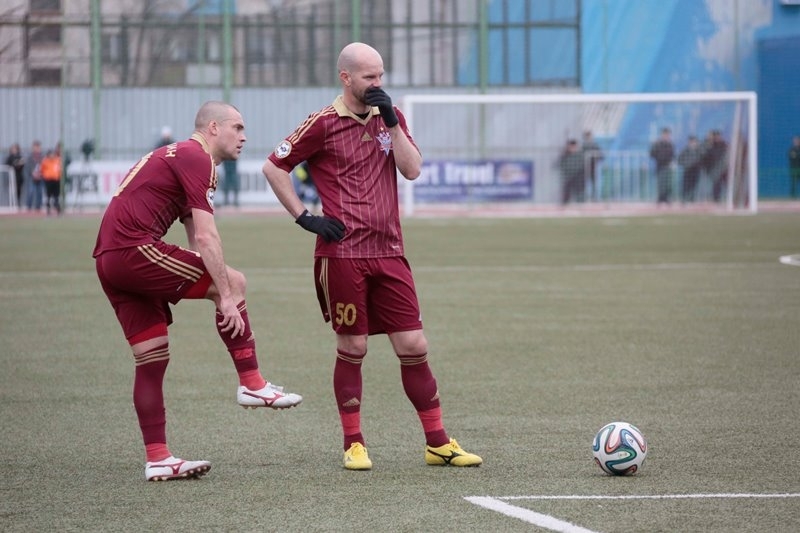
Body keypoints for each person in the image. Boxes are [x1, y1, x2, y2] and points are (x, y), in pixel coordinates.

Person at [262, 42, 482, 471]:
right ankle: (354, 443)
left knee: (414, 344)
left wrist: (393, 123)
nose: (377, 83)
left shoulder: (389, 116)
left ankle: (438, 443)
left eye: (380, 75)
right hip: (343, 255)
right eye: (369, 77)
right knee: (354, 345)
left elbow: (412, 170)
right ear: (346, 78)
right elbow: (274, 167)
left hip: (390, 250)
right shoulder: (322, 123)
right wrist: (305, 218)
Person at [93, 101, 302, 482]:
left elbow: (194, 241)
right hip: (132, 250)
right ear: (213, 128)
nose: (244, 136)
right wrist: (226, 295)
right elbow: (206, 237)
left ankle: (158, 458)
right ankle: (252, 383)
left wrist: (218, 288)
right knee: (233, 282)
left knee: (151, 358)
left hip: (109, 259)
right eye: (237, 127)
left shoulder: (182, 156)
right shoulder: (197, 157)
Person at [650, 127, 675, 204]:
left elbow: (672, 155)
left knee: (668, 183)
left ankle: (666, 198)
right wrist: (658, 157)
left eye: (668, 134)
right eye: (665, 134)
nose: (667, 136)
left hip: (668, 165)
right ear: (662, 134)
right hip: (660, 165)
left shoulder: (670, 144)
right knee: (660, 183)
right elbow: (652, 154)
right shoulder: (657, 144)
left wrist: (672, 162)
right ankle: (660, 198)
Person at [703, 129, 728, 202]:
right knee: (716, 185)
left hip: (724, 168)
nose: (717, 138)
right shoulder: (711, 146)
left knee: (727, 183)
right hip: (715, 169)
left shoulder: (724, 145)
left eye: (718, 136)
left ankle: (731, 197)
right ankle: (716, 199)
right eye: (716, 136)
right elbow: (707, 157)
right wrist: (708, 168)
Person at [677, 135, 704, 202]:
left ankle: (692, 199)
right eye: (692, 142)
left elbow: (702, 160)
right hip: (687, 170)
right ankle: (684, 199)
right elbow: (679, 160)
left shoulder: (699, 151)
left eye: (695, 142)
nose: (693, 143)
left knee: (694, 185)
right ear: (689, 142)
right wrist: (686, 164)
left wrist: (699, 166)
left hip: (696, 171)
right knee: (686, 185)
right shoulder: (685, 150)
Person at [558, 138, 585, 205]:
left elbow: (582, 165)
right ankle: (565, 204)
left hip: (577, 176)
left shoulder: (579, 155)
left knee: (579, 192)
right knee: (567, 191)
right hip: (568, 176)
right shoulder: (565, 155)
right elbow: (561, 164)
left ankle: (581, 204)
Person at [582, 130, 604, 200]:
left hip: (592, 166)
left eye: (589, 136)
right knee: (583, 182)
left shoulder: (595, 145)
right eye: (587, 136)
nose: (589, 138)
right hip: (584, 167)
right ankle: (584, 197)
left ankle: (594, 197)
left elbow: (601, 156)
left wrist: (595, 156)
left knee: (593, 182)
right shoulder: (583, 146)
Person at [23, 140, 44, 212]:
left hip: (40, 177)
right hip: (32, 177)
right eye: (35, 147)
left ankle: (38, 207)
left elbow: (44, 166)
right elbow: (27, 167)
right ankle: (29, 207)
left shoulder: (42, 157)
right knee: (30, 192)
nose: (36, 149)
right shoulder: (30, 157)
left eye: (38, 147)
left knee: (39, 192)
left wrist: (40, 174)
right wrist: (33, 173)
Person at [40, 148, 62, 215]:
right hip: (48, 180)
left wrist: (58, 175)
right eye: (50, 154)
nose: (52, 155)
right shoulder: (45, 161)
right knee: (48, 195)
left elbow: (60, 169)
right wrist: (45, 176)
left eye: (53, 154)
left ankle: (57, 208)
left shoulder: (57, 160)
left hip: (56, 180)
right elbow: (42, 170)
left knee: (56, 195)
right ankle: (48, 208)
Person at [4, 143, 25, 209]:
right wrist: (15, 164)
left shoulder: (20, 157)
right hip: (11, 178)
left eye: (15, 149)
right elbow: (7, 165)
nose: (14, 150)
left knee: (18, 191)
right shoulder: (9, 158)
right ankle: (11, 204)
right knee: (11, 191)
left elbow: (21, 164)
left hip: (18, 177)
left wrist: (16, 164)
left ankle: (18, 203)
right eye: (13, 149)